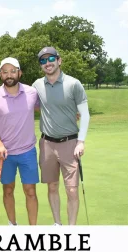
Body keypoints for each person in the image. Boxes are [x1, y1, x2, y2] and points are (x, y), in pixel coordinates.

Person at [32, 47, 90, 226]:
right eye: (43, 61)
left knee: (72, 190)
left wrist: (81, 141)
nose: (47, 63)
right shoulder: (37, 85)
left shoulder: (74, 84)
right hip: (47, 143)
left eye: (50, 59)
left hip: (70, 143)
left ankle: (71, 228)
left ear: (59, 60)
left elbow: (85, 114)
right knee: (52, 186)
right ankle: (57, 224)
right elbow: (24, 100)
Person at [0, 57, 39, 226]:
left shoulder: (32, 93)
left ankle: (33, 230)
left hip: (28, 152)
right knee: (8, 190)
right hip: (5, 154)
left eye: (13, 71)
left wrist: (71, 112)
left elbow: (50, 106)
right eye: (5, 72)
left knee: (30, 191)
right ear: (1, 75)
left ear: (19, 72)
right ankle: (12, 225)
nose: (9, 75)